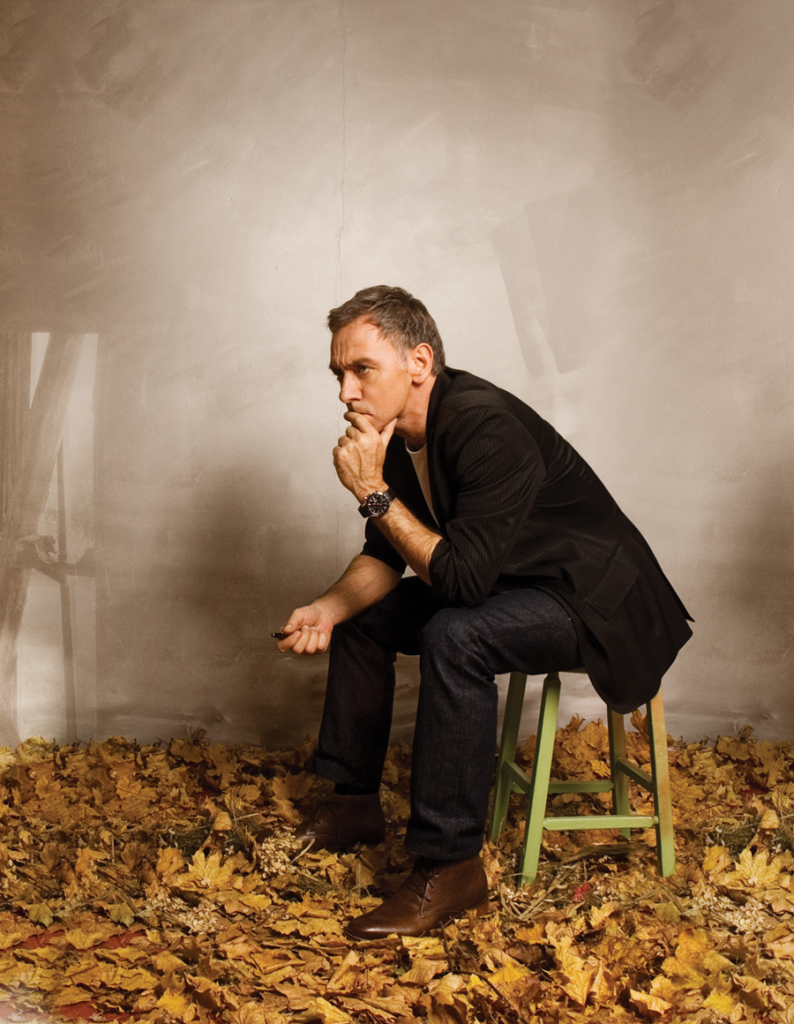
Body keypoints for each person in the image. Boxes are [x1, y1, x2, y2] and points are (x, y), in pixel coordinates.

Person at [275, 285, 692, 940]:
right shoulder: (400, 435)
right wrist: (328, 609)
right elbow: (385, 556)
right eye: (339, 375)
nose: (346, 393)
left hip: (593, 600)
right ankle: (355, 805)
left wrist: (373, 493)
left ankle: (451, 866)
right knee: (363, 617)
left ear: (418, 362)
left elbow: (462, 582)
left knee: (456, 634)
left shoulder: (483, 426)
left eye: (362, 370)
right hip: (513, 581)